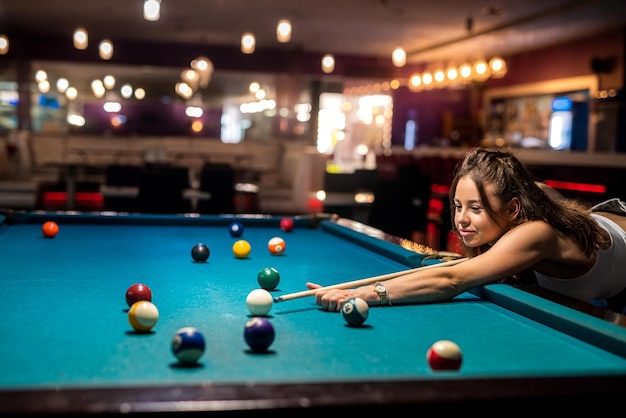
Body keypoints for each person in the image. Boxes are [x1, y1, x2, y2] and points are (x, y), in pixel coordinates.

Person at [306, 148, 626, 314]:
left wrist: (364, 293)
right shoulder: (526, 210)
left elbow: (451, 279)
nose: (461, 219)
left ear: (513, 210)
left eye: (476, 208)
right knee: (541, 193)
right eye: (458, 206)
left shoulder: (535, 233)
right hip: (601, 234)